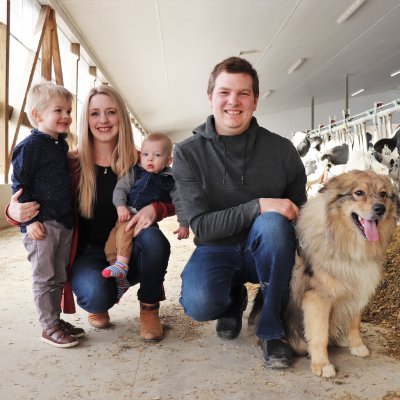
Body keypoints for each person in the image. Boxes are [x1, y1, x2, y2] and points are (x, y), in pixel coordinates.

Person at [7, 84, 175, 342]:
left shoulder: (143, 161)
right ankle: (101, 300)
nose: (103, 120)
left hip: (130, 245)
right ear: (86, 120)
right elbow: (30, 190)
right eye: (95, 113)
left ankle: (149, 307)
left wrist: (157, 208)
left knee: (155, 241)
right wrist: (14, 211)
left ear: (121, 117)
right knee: (94, 294)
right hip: (88, 251)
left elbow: (176, 193)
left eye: (111, 112)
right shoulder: (69, 162)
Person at [172, 57, 307, 368]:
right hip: (215, 248)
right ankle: (233, 300)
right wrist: (259, 204)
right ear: (211, 97)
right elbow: (202, 228)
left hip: (268, 248)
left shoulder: (282, 150)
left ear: (255, 101)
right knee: (199, 304)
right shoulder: (187, 153)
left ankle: (272, 329)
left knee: (274, 225)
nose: (233, 101)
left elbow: (299, 211)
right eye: (224, 92)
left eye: (244, 93)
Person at [11, 80, 84, 348]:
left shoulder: (60, 145)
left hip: (63, 221)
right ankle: (48, 326)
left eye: (68, 110)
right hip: (41, 224)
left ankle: (56, 319)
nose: (66, 116)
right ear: (37, 115)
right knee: (44, 277)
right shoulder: (30, 146)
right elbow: (20, 185)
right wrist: (29, 221)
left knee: (58, 275)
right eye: (58, 111)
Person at [102, 132, 189, 301]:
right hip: (126, 214)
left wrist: (184, 224)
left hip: (144, 221)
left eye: (157, 155)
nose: (150, 159)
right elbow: (120, 189)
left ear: (168, 161)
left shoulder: (170, 180)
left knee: (126, 234)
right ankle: (120, 278)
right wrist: (120, 206)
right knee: (111, 242)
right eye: (146, 154)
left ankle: (122, 265)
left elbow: (181, 202)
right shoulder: (134, 172)